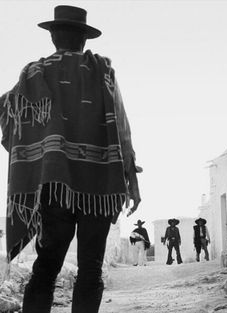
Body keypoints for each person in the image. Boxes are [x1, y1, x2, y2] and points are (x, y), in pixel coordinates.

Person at [0, 5, 142, 313]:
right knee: (90, 268)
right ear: (84, 40)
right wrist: (130, 175)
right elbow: (121, 127)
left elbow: (10, 113)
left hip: (54, 185)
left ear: (52, 36)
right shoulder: (102, 71)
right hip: (99, 185)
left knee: (46, 266)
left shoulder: (33, 73)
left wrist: (35, 155)